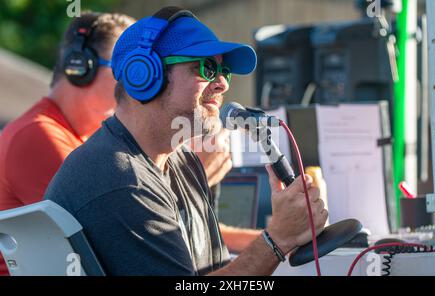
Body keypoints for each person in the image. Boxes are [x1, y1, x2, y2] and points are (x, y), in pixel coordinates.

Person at [44, 6, 327, 275]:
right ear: (143, 75)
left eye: (223, 71)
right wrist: (276, 240)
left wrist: (283, 234)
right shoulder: (119, 179)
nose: (223, 83)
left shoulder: (182, 161)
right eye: (204, 68)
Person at [0, 12, 136, 276]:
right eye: (125, 68)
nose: (138, 82)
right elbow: (121, 241)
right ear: (80, 66)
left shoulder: (80, 139)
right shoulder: (38, 135)